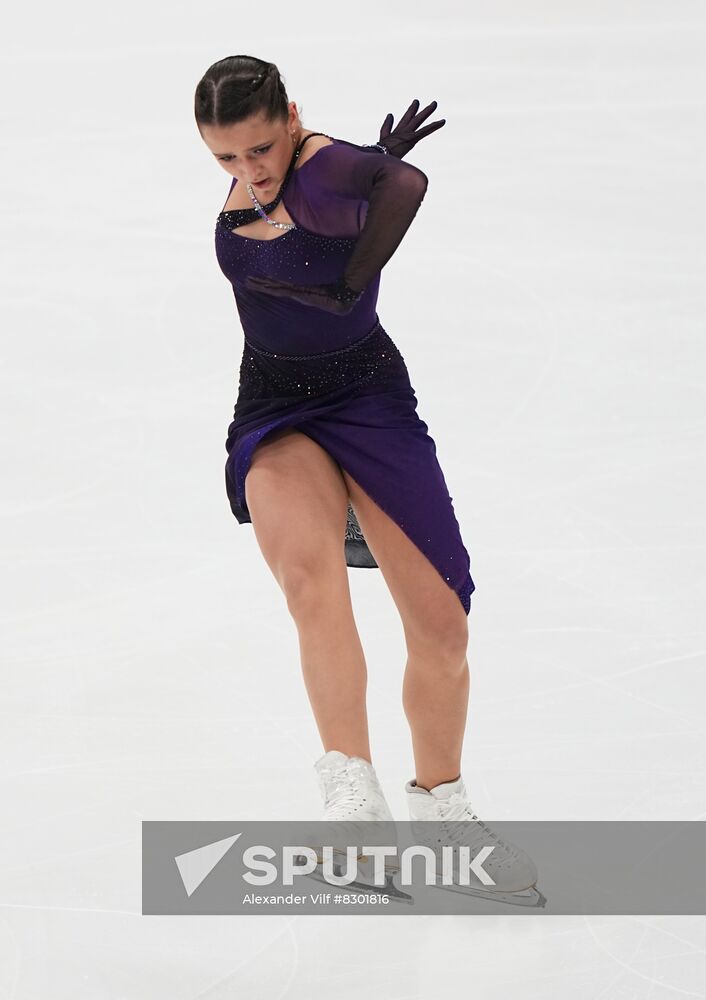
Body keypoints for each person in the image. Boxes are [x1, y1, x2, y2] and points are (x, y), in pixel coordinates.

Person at [194, 55, 542, 905]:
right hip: (273, 405)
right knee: (312, 584)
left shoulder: (321, 163)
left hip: (368, 396)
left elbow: (406, 184)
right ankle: (353, 808)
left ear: (293, 117)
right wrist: (347, 205)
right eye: (227, 161)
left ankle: (442, 808)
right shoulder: (293, 179)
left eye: (262, 149)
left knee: (443, 624)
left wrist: (355, 260)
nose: (250, 171)